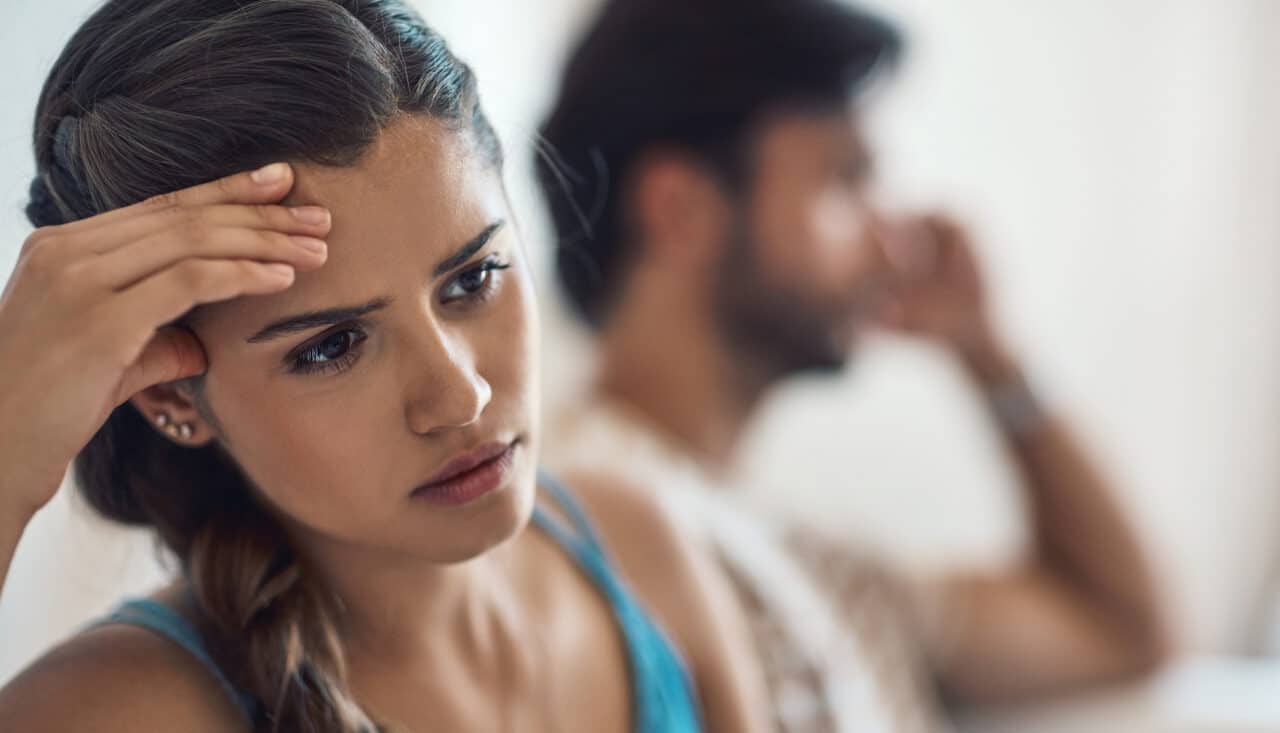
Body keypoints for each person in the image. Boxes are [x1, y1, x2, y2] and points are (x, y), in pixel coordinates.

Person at [0, 1, 768, 731]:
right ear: (172, 392)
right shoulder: (119, 710)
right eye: (331, 345)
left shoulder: (641, 544)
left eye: (473, 279)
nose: (459, 395)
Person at [536, 0, 1171, 730]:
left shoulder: (815, 558)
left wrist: (992, 356)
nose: (892, 243)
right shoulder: (571, 527)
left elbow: (1122, 628)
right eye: (845, 180)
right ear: (681, 209)